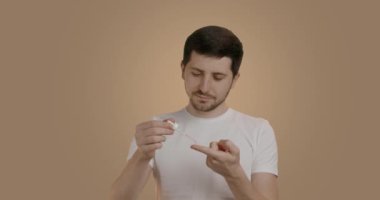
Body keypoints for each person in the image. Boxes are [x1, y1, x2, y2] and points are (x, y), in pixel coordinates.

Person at [110, 26, 279, 200]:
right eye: (196, 73)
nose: (204, 87)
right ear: (183, 69)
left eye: (218, 77)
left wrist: (234, 174)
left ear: (234, 79)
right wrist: (142, 155)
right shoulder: (157, 129)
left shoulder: (258, 130)